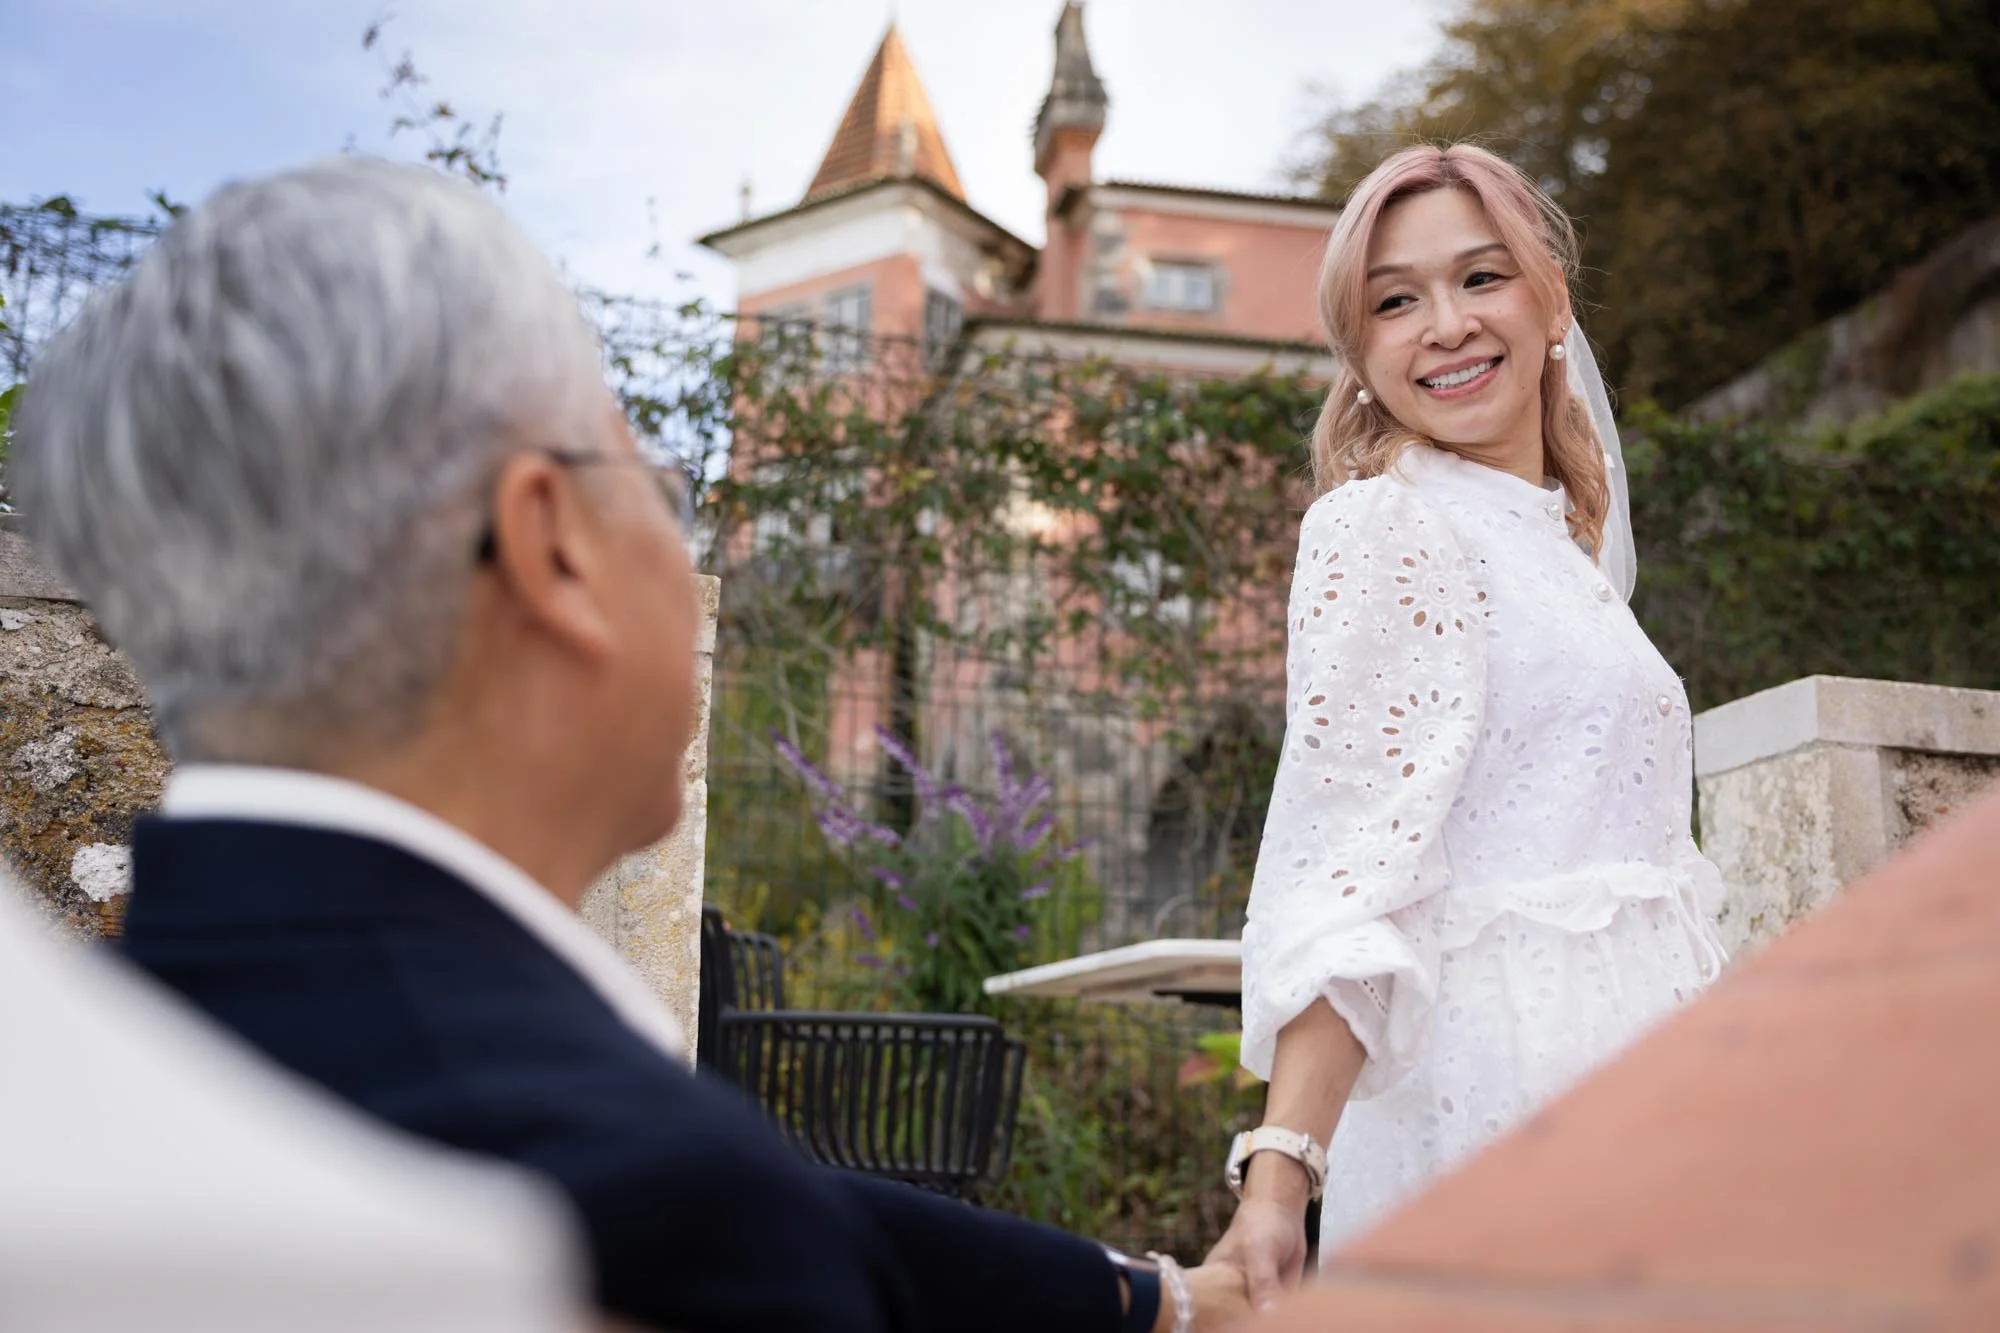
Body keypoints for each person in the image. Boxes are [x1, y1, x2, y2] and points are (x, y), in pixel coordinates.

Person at [10, 157, 1247, 1333]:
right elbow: (730, 1214)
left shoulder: (91, 1074)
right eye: (662, 484)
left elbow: (814, 1211)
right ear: (549, 542)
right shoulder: (644, 1214)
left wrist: (1150, 1298)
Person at [1206, 143, 1730, 1308]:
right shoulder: (1384, 529)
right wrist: (1278, 1177)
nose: (1442, 323)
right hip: (1512, 1082)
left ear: (1548, 299)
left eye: (1478, 278)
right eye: (1395, 300)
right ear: (1362, 352)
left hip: (1664, 1076)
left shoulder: (1557, 545)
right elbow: (1350, 872)